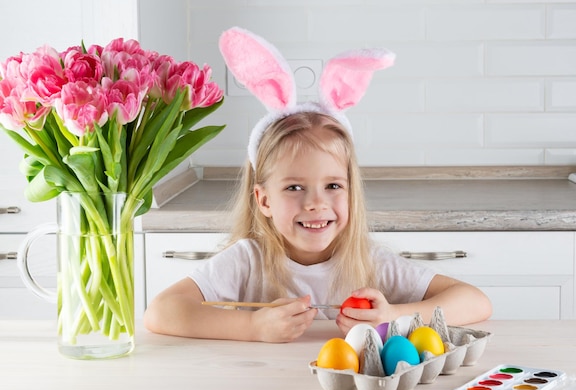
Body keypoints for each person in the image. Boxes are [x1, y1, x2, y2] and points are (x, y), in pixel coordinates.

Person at [143, 27, 492, 343]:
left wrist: (393, 317)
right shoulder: (247, 261)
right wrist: (253, 327)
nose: (316, 203)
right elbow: (161, 311)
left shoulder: (369, 262)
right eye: (294, 188)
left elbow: (475, 302)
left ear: (352, 192)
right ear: (263, 200)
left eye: (333, 186)